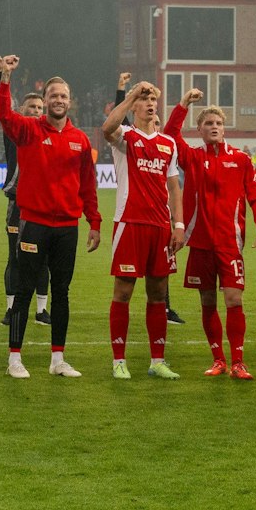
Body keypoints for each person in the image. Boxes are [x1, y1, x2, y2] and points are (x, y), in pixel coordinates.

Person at [0, 55, 101, 379]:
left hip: (67, 227)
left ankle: (58, 359)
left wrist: (94, 221)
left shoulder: (80, 140)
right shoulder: (29, 129)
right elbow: (3, 114)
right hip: (34, 224)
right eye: (53, 95)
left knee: (61, 292)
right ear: (45, 98)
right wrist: (5, 78)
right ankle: (15, 359)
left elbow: (88, 185)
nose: (58, 100)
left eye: (63, 96)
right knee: (25, 290)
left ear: (70, 101)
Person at [165, 90, 256, 379]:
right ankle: (218, 360)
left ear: (224, 129)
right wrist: (183, 105)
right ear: (199, 130)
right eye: (209, 123)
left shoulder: (241, 159)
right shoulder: (192, 157)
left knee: (234, 300)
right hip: (200, 244)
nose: (214, 127)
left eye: (219, 123)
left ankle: (238, 362)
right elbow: (170, 135)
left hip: (229, 244)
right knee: (208, 302)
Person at [100, 82, 185, 380]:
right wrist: (131, 95)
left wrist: (178, 224)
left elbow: (174, 187)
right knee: (123, 291)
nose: (150, 104)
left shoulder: (168, 143)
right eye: (144, 99)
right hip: (130, 223)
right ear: (134, 105)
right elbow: (107, 127)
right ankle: (118, 361)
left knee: (158, 293)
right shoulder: (125, 136)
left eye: (153, 100)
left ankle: (157, 361)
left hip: (160, 227)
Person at [0, 75, 52, 328]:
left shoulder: (50, 134)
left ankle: (41, 310)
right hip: (18, 203)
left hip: (44, 204)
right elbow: (2, 110)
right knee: (15, 257)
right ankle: (11, 309)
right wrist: (0, 76)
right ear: (21, 110)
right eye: (31, 107)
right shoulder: (14, 132)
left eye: (40, 108)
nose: (36, 111)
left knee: (43, 259)